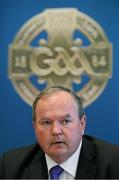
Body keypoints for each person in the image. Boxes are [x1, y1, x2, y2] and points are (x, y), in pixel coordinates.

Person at [0, 86, 119, 179]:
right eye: (46, 122)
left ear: (82, 125)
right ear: (35, 127)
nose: (56, 131)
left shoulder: (113, 163)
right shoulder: (11, 166)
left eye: (65, 121)